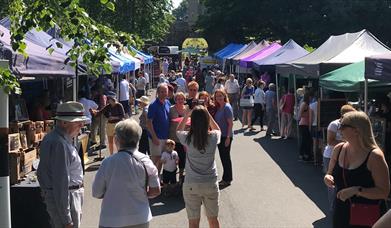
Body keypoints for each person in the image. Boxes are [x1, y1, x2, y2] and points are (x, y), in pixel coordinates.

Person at [324, 111, 390, 228]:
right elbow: (329, 173)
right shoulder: (338, 149)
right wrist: (328, 177)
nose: (339, 130)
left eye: (343, 126)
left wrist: (357, 190)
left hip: (367, 215)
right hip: (341, 212)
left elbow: (384, 192)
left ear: (356, 130)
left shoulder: (374, 156)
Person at [92, 119, 161, 228]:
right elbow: (155, 190)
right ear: (138, 139)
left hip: (110, 219)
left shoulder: (107, 163)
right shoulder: (146, 161)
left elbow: (96, 192)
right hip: (140, 218)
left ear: (116, 139)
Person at [37, 101, 88, 228]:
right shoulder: (59, 143)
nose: (82, 125)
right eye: (77, 122)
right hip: (67, 199)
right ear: (64, 123)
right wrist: (66, 219)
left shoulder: (59, 139)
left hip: (67, 197)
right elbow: (61, 183)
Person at [176, 106, 221, 228]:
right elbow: (218, 129)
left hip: (192, 183)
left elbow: (178, 131)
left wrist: (186, 115)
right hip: (210, 182)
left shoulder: (188, 138)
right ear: (206, 120)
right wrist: (207, 114)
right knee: (213, 220)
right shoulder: (213, 137)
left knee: (193, 223)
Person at [322, 104, 356, 212]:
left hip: (344, 155)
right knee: (332, 184)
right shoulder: (334, 124)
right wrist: (346, 142)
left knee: (342, 182)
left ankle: (341, 207)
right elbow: (330, 141)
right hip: (330, 155)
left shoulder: (352, 125)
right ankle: (333, 208)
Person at [147, 83, 171, 170]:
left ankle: (157, 179)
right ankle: (150, 180)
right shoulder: (153, 105)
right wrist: (154, 137)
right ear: (157, 92)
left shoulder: (168, 102)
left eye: (165, 91)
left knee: (161, 159)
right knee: (155, 160)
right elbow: (149, 123)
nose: (164, 93)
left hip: (165, 136)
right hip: (156, 137)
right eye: (162, 92)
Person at [214, 89, 234, 187]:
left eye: (220, 96)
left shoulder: (227, 107)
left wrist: (228, 138)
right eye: (217, 96)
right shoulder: (219, 107)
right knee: (223, 157)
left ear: (224, 96)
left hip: (226, 136)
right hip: (220, 136)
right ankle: (226, 178)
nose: (219, 98)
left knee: (225, 158)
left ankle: (227, 179)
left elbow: (230, 124)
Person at [169, 92, 189, 182]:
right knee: (172, 159)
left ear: (184, 100)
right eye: (178, 99)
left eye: (182, 99)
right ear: (175, 100)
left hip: (184, 138)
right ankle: (172, 179)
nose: (180, 101)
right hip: (173, 138)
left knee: (182, 158)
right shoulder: (171, 109)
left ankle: (181, 176)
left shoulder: (188, 109)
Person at [298, 91, 312, 161]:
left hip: (306, 124)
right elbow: (300, 115)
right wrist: (307, 115)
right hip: (303, 124)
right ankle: (302, 155)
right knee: (304, 140)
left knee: (307, 140)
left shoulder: (307, 104)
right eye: (310, 97)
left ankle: (305, 154)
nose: (311, 98)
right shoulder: (304, 104)